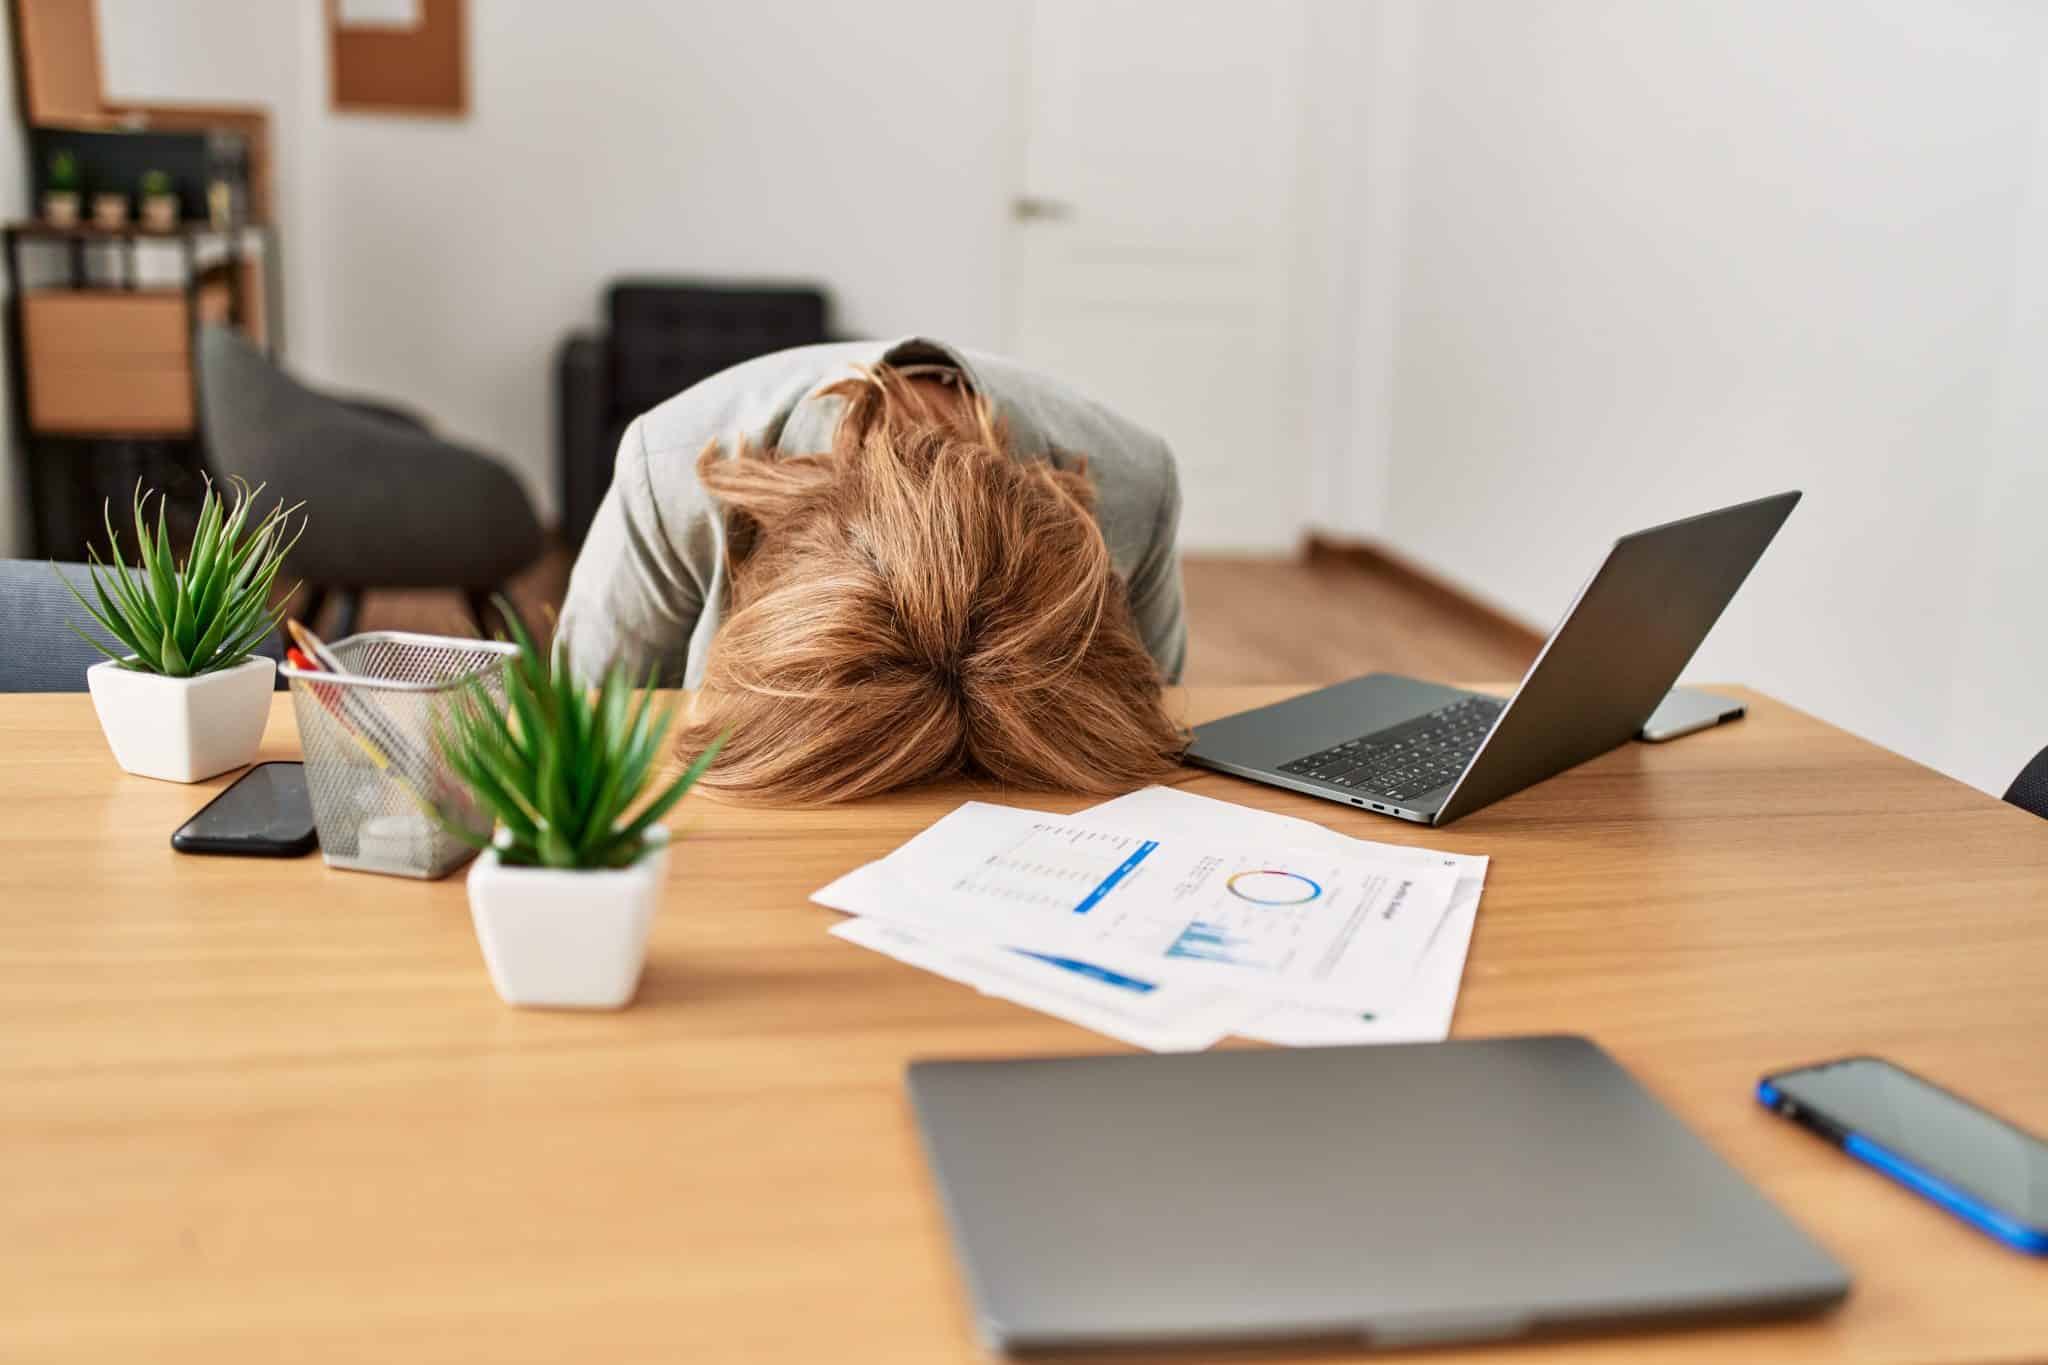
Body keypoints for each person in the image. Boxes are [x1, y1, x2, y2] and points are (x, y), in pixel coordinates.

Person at [557, 337, 1188, 803]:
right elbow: (578, 721)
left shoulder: (1136, 483)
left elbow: (1153, 712)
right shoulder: (666, 469)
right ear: (774, 561)